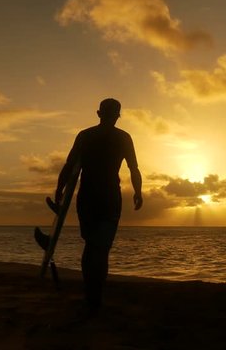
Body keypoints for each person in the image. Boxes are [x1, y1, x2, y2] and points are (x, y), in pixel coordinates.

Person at [54, 98, 143, 312]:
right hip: (109, 197)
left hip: (89, 197)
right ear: (117, 115)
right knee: (101, 248)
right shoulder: (123, 138)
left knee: (91, 245)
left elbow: (69, 165)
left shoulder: (86, 135)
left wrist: (60, 188)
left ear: (98, 113)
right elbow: (134, 168)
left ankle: (90, 295)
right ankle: (95, 296)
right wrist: (138, 192)